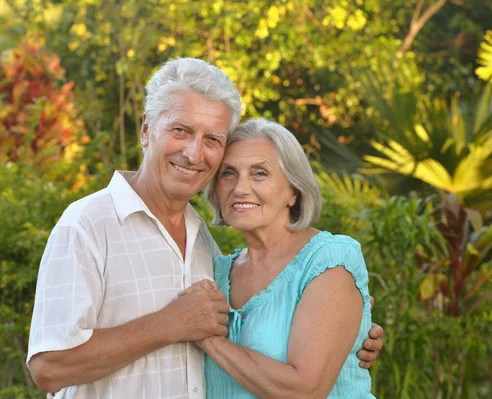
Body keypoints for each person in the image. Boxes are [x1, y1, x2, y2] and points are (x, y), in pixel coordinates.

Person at [26, 58, 383, 399]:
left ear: (293, 190)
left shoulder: (204, 246)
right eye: (181, 130)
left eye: (212, 139)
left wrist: (350, 335)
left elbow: (291, 357)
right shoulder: (88, 225)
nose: (195, 154)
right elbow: (49, 368)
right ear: (147, 130)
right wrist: (172, 324)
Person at [201, 118, 375, 398]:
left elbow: (305, 391)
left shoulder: (328, 260)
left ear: (293, 191)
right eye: (228, 173)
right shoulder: (214, 273)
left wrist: (207, 338)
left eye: (259, 173)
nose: (240, 188)